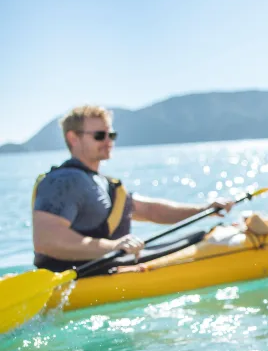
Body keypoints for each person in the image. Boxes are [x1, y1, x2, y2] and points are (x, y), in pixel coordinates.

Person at [31, 105, 235, 272]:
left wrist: (204, 209)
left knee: (200, 235)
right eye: (100, 135)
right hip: (81, 277)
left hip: (112, 267)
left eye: (111, 134)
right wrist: (114, 247)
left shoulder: (103, 183)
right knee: (201, 238)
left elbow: (149, 210)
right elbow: (47, 240)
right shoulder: (64, 181)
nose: (108, 141)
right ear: (73, 138)